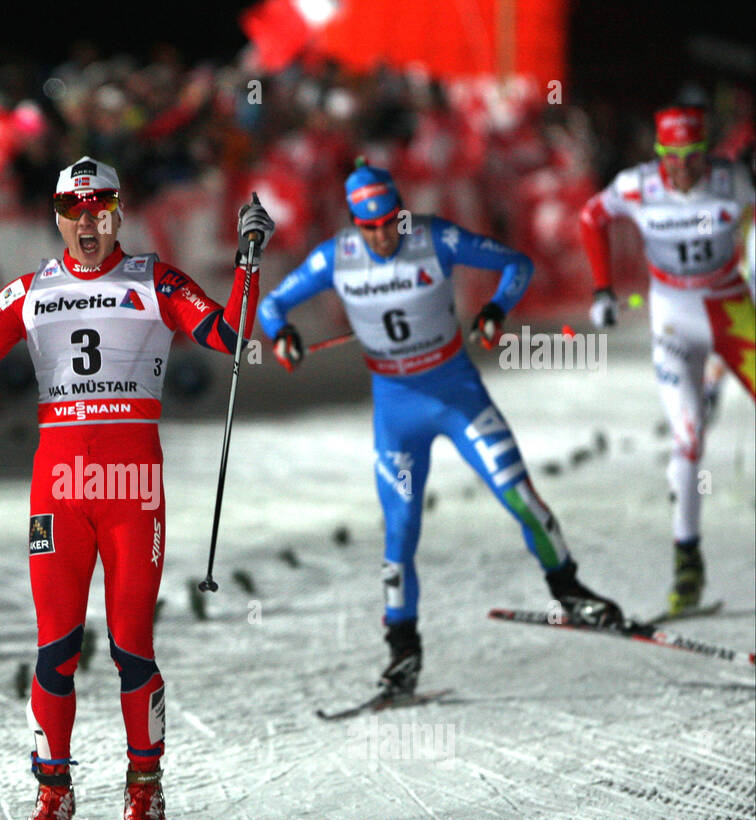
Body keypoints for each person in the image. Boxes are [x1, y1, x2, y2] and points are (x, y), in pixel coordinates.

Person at [0, 157, 274, 820]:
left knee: (131, 648)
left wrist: (247, 261)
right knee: (55, 648)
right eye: (74, 213)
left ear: (118, 213)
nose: (87, 225)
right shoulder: (31, 290)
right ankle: (53, 795)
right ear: (56, 217)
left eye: (99, 211)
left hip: (131, 489)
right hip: (58, 489)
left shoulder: (155, 279)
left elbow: (230, 339)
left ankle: (145, 796)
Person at [259, 161, 622, 698]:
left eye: (389, 221)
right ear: (355, 223)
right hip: (396, 410)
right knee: (400, 531)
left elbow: (515, 265)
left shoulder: (433, 237)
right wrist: (283, 334)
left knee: (518, 495)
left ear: (401, 214)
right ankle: (403, 648)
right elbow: (272, 303)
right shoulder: (336, 256)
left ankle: (568, 589)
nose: (382, 234)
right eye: (370, 225)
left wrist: (497, 310)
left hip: (457, 396)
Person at [579, 105, 755, 616]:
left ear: (707, 154)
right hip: (675, 320)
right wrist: (603, 290)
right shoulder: (636, 186)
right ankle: (687, 558)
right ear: (658, 155)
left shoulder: (732, 179)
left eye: (693, 158)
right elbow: (592, 217)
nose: (682, 170)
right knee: (689, 436)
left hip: (732, 310)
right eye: (672, 158)